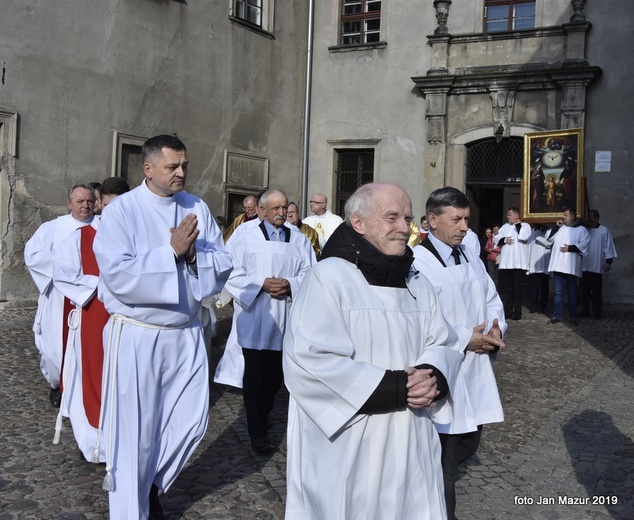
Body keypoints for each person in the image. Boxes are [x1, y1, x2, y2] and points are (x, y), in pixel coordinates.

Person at [283, 182, 463, 520]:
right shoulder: (329, 277)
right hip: (352, 440)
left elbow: (443, 341)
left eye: (407, 218)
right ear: (358, 223)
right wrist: (398, 387)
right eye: (391, 217)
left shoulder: (416, 281)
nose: (403, 227)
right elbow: (309, 361)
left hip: (413, 435)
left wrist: (434, 376)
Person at [93, 135, 233, 519]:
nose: (182, 173)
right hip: (138, 334)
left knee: (190, 421)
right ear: (148, 168)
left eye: (184, 165)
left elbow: (223, 262)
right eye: (173, 166)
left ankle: (154, 481)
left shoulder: (196, 206)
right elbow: (117, 274)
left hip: (186, 332)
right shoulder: (121, 211)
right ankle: (131, 509)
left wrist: (192, 258)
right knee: (135, 432)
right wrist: (169, 251)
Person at [413, 187, 506, 520]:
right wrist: (466, 338)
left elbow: (491, 298)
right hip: (444, 367)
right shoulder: (416, 262)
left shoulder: (469, 255)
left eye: (467, 218)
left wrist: (496, 329)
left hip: (476, 369)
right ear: (433, 220)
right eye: (457, 219)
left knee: (468, 442)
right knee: (444, 458)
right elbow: (420, 317)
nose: (464, 226)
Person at [225, 189, 315, 454]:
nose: (280, 212)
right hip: (255, 315)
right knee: (254, 377)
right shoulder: (244, 235)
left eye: (284, 207)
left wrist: (291, 285)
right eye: (274, 208)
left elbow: (311, 273)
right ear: (262, 210)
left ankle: (263, 414)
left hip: (285, 317)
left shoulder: (299, 239)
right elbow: (231, 270)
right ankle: (257, 432)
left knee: (275, 379)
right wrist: (261, 284)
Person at [52, 177, 130, 461]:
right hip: (94, 312)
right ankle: (97, 443)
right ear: (99, 204)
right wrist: (100, 285)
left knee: (126, 378)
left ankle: (126, 438)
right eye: (108, 205)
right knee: (94, 375)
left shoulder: (135, 237)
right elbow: (63, 274)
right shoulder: (80, 237)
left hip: (131, 317)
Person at [24, 183, 96, 407]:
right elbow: (33, 256)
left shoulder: (103, 226)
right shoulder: (51, 228)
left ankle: (85, 389)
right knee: (56, 348)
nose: (85, 206)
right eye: (80, 201)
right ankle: (57, 385)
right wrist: (68, 262)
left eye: (90, 201)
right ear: (69, 204)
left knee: (88, 347)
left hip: (92, 296)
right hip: (58, 297)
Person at [545, 207, 590, 325]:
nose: (563, 217)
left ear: (573, 216)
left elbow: (585, 244)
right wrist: (556, 227)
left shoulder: (581, 230)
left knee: (572, 293)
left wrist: (569, 248)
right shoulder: (560, 228)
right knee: (558, 292)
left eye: (566, 215)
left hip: (571, 266)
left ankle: (573, 317)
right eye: (563, 215)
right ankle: (557, 315)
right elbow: (548, 239)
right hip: (558, 265)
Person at [580, 209, 617, 320]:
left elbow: (608, 247)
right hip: (585, 265)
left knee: (596, 291)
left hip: (597, 265)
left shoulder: (603, 230)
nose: (589, 220)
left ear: (596, 218)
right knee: (584, 291)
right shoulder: (584, 230)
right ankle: (585, 311)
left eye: (591, 218)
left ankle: (597, 313)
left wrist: (608, 262)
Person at [497, 207, 530, 320]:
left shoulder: (525, 226)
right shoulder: (505, 227)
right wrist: (505, 240)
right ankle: (508, 311)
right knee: (507, 289)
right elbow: (497, 239)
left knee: (517, 289)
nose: (507, 217)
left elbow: (524, 236)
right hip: (506, 263)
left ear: (516, 216)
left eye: (509, 215)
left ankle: (518, 312)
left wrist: (518, 225)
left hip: (518, 263)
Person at [526, 224, 551, 314]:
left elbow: (549, 244)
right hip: (534, 262)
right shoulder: (532, 231)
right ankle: (534, 305)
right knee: (534, 286)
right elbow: (528, 246)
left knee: (544, 286)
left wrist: (541, 235)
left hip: (544, 262)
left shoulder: (549, 231)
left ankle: (542, 306)